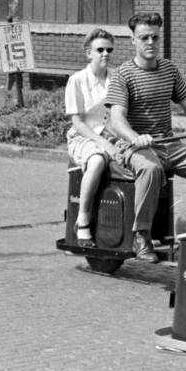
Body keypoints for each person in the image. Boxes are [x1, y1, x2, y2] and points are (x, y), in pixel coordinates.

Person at [105, 11, 186, 263]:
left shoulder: (169, 70)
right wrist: (135, 137)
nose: (150, 42)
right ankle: (141, 236)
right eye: (144, 38)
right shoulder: (123, 75)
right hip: (134, 146)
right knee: (151, 169)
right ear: (133, 40)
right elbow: (116, 119)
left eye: (154, 37)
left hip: (168, 143)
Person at [65, 28, 119, 248]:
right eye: (100, 50)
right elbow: (77, 122)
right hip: (84, 137)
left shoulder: (117, 78)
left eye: (109, 50)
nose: (105, 54)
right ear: (89, 53)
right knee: (97, 160)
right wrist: (103, 142)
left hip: (114, 136)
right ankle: (83, 219)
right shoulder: (77, 81)